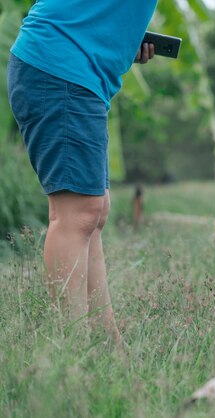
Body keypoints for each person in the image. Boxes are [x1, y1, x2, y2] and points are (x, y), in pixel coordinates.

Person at [7, 0, 159, 346]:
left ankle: (106, 344)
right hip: (60, 65)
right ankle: (74, 347)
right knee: (77, 214)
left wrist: (120, 36)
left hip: (71, 67)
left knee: (92, 211)